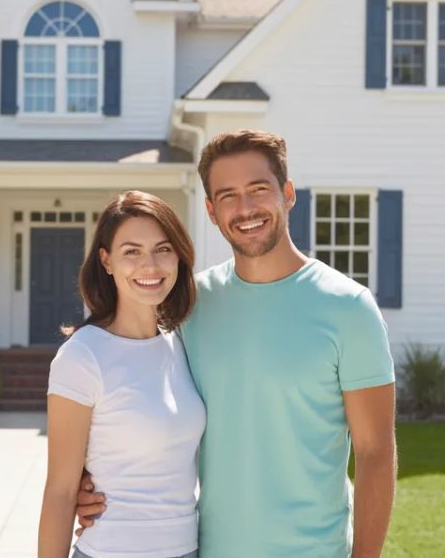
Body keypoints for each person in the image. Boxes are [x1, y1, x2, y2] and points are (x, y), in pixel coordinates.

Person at [76, 130, 398, 556]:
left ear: (287, 193)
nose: (245, 209)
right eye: (227, 195)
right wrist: (85, 478)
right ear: (210, 210)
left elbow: (376, 454)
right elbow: (135, 395)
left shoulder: (349, 308)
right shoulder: (191, 304)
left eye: (258, 190)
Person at [38, 191, 205, 558]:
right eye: (131, 251)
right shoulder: (83, 356)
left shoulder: (181, 344)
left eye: (163, 249)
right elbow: (62, 491)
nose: (150, 266)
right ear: (107, 261)